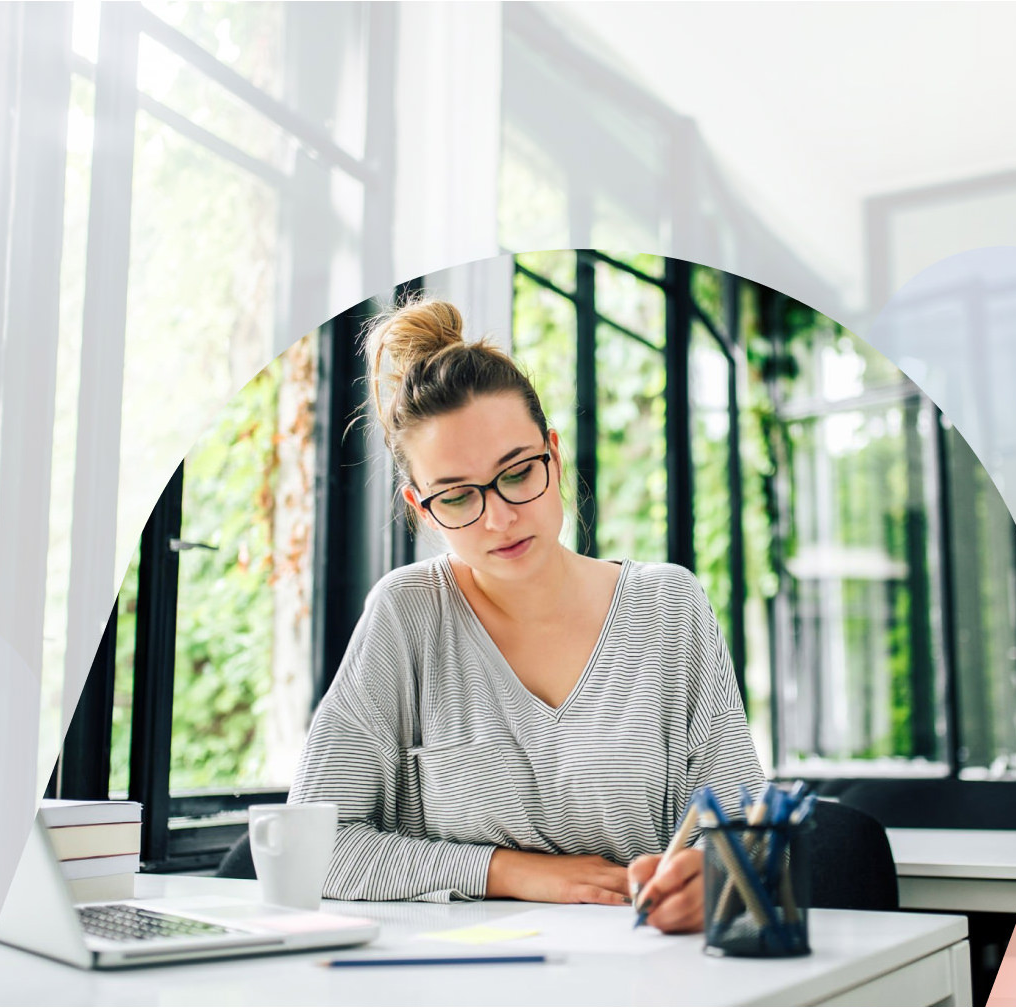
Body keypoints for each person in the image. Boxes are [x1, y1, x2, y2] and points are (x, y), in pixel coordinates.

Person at [288, 297, 765, 934]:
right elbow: (311, 846)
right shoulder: (408, 615)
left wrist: (718, 874)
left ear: (554, 455)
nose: (499, 518)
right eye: (457, 496)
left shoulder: (668, 607)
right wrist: (509, 871)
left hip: (643, 964)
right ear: (422, 508)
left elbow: (745, 828)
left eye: (516, 474)